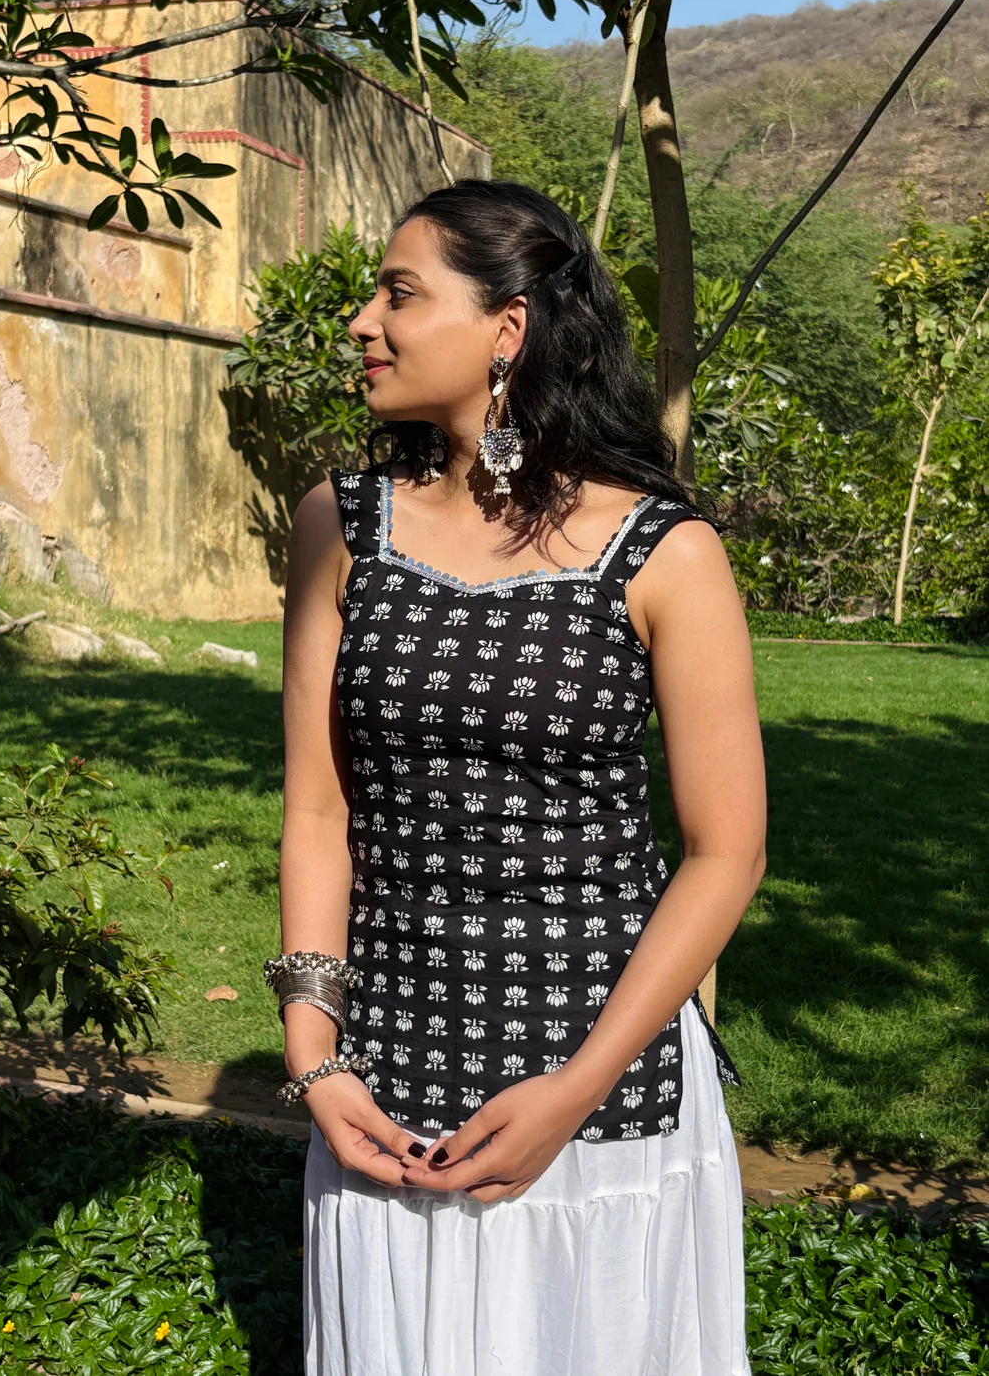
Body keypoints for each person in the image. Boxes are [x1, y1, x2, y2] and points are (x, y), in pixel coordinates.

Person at [269, 179, 766, 1376]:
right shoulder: (339, 524)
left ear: (506, 328)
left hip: (596, 1088)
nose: (361, 322)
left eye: (399, 293)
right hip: (384, 1076)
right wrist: (311, 1055)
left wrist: (575, 1090)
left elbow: (725, 852)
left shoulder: (663, 551)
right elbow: (319, 811)